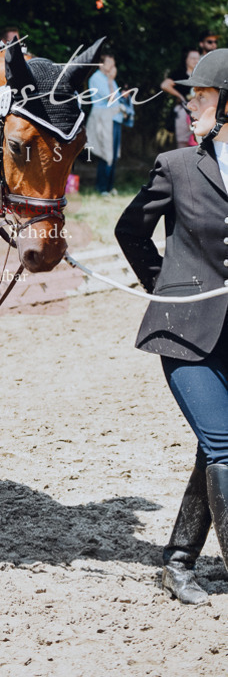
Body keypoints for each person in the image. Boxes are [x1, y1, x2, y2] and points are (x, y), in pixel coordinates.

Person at [115, 48, 228, 606]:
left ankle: (179, 561)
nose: (193, 106)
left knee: (215, 449)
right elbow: (130, 230)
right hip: (186, 334)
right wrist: (168, 288)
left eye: (203, 98)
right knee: (225, 447)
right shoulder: (177, 166)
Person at [85, 52, 134, 195]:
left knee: (113, 153)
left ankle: (109, 186)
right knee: (106, 153)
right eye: (109, 63)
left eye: (114, 64)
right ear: (101, 64)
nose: (113, 67)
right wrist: (111, 81)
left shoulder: (110, 79)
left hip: (115, 119)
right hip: (103, 119)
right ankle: (101, 187)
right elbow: (110, 98)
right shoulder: (96, 78)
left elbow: (117, 99)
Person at [161, 49, 200, 149]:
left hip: (200, 111)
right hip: (183, 110)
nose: (195, 60)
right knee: (182, 141)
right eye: (192, 58)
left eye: (197, 58)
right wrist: (180, 96)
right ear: (186, 60)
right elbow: (165, 85)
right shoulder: (179, 74)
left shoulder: (202, 75)